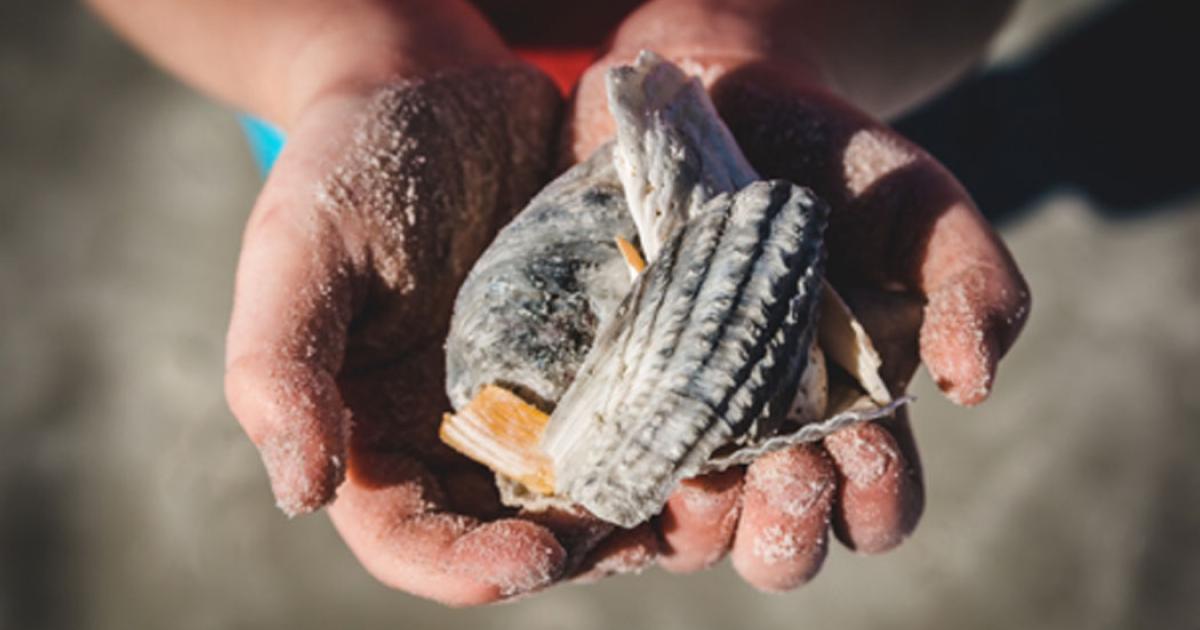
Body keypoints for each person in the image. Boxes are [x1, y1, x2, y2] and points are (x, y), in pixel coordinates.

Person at [87, 0, 1030, 605]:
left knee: (872, 225)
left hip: (804, 59)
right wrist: (341, 50)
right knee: (847, 229)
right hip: (346, 68)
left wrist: (769, 38)